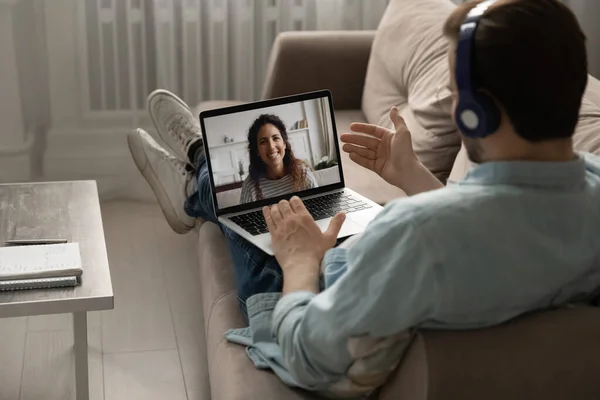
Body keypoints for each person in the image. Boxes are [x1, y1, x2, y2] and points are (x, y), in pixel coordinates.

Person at [128, 0, 600, 396]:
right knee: (293, 198)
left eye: (457, 96)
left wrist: (298, 262)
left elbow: (308, 353)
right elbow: (493, 237)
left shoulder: (416, 232)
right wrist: (411, 175)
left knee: (261, 205)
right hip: (381, 278)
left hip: (315, 295)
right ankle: (198, 166)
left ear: (477, 115)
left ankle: (198, 176)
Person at [239, 114, 318, 204]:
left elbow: (319, 204)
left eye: (275, 138)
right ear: (257, 151)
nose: (271, 146)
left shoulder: (303, 173)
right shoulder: (250, 186)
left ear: (284, 143)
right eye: (263, 141)